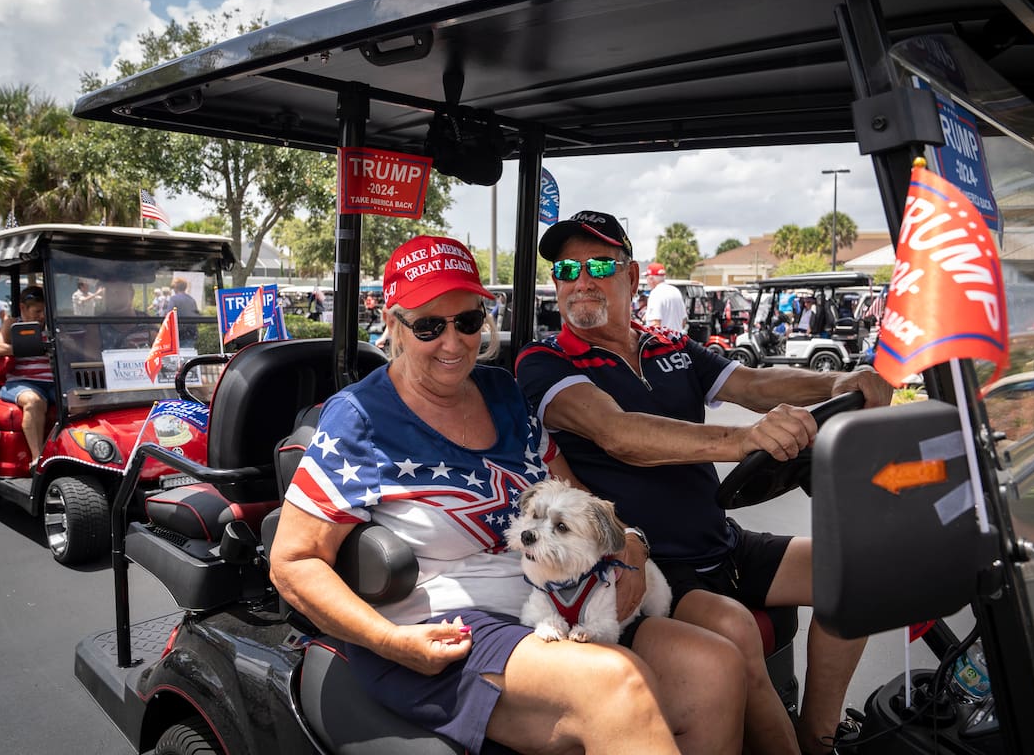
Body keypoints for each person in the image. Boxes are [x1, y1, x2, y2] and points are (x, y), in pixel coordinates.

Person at [270, 234, 745, 755]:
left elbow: (573, 492)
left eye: (468, 321)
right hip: (443, 629)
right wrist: (391, 643)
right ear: (395, 324)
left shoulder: (501, 392)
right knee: (617, 681)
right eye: (429, 326)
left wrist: (629, 537)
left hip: (557, 599)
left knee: (713, 665)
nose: (453, 343)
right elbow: (293, 562)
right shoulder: (359, 417)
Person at [516, 210, 894, 755]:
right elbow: (619, 433)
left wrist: (838, 380)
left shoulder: (665, 345)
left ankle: (820, 737)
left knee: (858, 572)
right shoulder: (545, 360)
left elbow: (753, 382)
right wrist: (744, 441)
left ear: (631, 276)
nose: (581, 279)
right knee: (736, 628)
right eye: (565, 269)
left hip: (723, 540)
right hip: (656, 562)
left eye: (599, 264)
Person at [0, 285, 54, 469]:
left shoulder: (52, 325)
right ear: (23, 308)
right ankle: (38, 460)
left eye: (44, 311)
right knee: (34, 402)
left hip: (52, 382)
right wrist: (27, 348)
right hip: (21, 382)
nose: (41, 316)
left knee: (80, 401)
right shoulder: (12, 324)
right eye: (37, 311)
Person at [643, 261, 687, 333]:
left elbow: (655, 324)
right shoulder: (675, 291)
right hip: (678, 340)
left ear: (651, 279)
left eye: (647, 277)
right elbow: (683, 321)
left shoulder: (656, 293)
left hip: (663, 342)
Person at [165, 278, 199, 346]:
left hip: (178, 333)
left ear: (175, 288)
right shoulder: (191, 299)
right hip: (191, 332)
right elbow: (196, 314)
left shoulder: (173, 299)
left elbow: (169, 315)